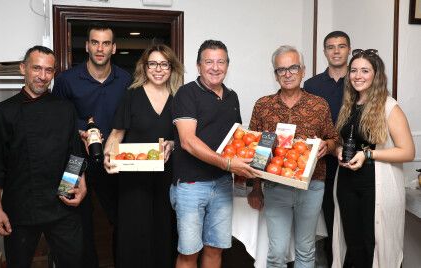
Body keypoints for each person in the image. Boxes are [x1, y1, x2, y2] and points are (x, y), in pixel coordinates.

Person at [0, 46, 87, 267]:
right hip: (21, 208)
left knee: (74, 262)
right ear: (23, 68)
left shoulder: (65, 108)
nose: (43, 77)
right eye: (37, 68)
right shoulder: (3, 112)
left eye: (49, 70)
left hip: (62, 203)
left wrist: (79, 185)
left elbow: (74, 154)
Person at [247, 45, 339, 268]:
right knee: (277, 252)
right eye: (281, 69)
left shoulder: (319, 104)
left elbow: (334, 138)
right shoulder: (263, 105)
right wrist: (255, 187)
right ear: (275, 74)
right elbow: (254, 149)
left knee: (305, 249)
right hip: (275, 186)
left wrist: (327, 145)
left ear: (303, 70)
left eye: (293, 68)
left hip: (312, 185)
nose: (287, 74)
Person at [170, 40, 260, 268]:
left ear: (228, 66)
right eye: (209, 61)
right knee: (189, 252)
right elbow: (188, 141)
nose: (215, 67)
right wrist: (228, 164)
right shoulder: (186, 93)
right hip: (191, 185)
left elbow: (236, 141)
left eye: (221, 62)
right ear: (199, 65)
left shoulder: (232, 96)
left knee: (215, 248)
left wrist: (243, 174)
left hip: (221, 184)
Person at [52, 23, 132, 266]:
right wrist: (80, 131)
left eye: (106, 43)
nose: (100, 48)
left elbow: (132, 119)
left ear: (114, 48)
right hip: (74, 159)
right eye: (95, 42)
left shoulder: (126, 80)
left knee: (123, 219)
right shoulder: (65, 80)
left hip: (114, 158)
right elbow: (56, 119)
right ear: (86, 46)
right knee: (68, 215)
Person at [332, 49, 415, 268]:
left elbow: (408, 151)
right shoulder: (349, 105)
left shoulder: (389, 107)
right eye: (354, 70)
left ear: (376, 75)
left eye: (365, 71)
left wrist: (369, 154)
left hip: (375, 185)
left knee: (373, 244)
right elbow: (345, 140)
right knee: (353, 243)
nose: (358, 76)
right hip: (347, 183)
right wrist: (338, 150)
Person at [103, 44, 183, 267]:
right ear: (145, 67)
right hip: (133, 179)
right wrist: (108, 156)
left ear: (171, 67)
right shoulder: (132, 95)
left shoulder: (180, 97)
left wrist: (173, 144)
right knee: (134, 235)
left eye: (164, 64)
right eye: (153, 64)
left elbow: (186, 138)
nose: (158, 69)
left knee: (164, 234)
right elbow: (117, 134)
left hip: (167, 180)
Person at [303, 30, 351, 266]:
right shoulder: (311, 84)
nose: (336, 51)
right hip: (321, 163)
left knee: (352, 221)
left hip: (353, 160)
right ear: (324, 52)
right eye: (331, 47)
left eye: (341, 46)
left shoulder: (359, 80)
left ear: (348, 50)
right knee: (327, 220)